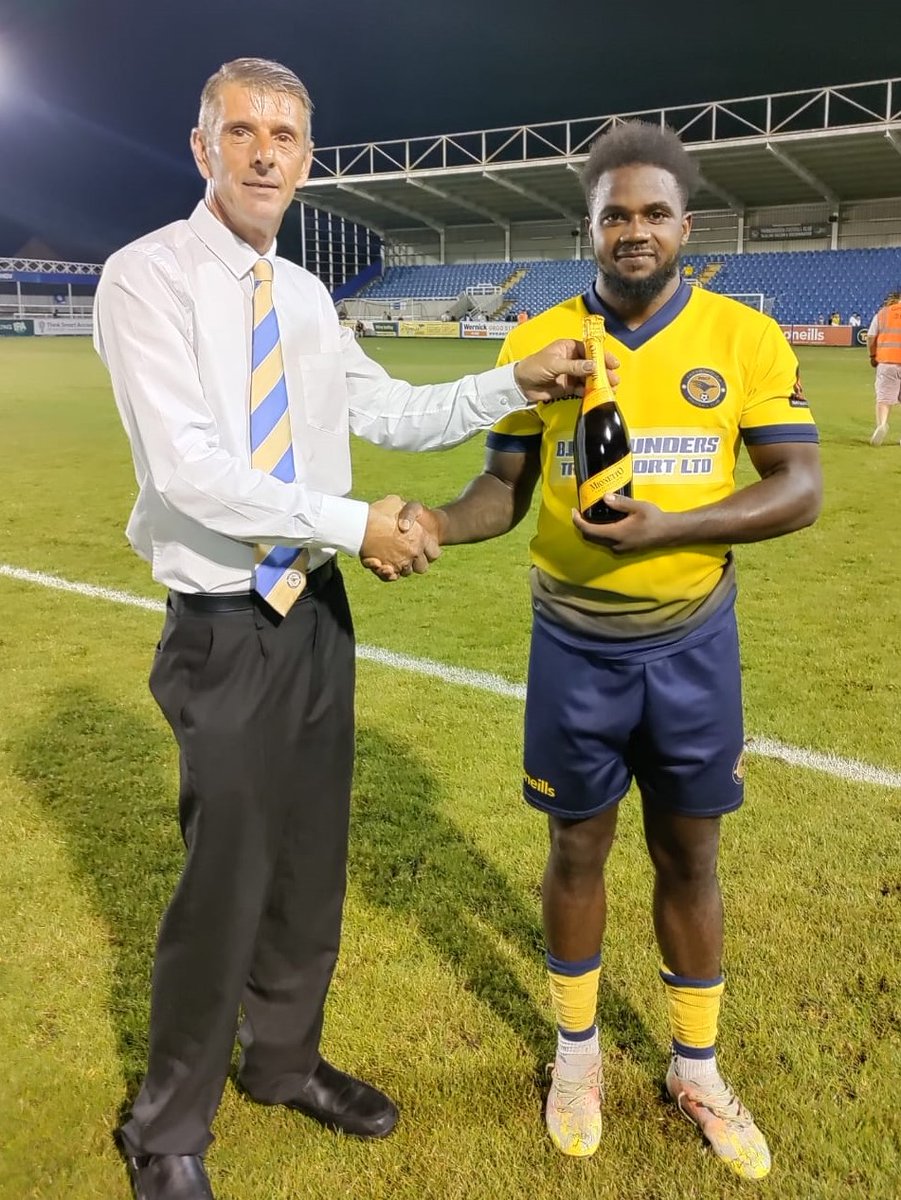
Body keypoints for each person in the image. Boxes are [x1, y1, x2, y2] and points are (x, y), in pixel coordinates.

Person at [93, 57, 596, 1200]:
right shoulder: (146, 279)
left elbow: (393, 411)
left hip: (314, 612)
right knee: (226, 875)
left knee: (312, 864)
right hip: (223, 622)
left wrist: (514, 380)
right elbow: (189, 475)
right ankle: (167, 1127)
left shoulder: (310, 298)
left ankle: (281, 1063)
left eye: (285, 133)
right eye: (242, 130)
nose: (265, 150)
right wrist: (350, 518)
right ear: (202, 148)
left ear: (307, 157)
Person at [371, 121, 822, 1181]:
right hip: (573, 642)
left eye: (652, 213)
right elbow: (502, 492)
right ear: (589, 226)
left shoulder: (742, 337)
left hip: (693, 644)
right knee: (575, 850)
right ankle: (577, 1056)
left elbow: (798, 488)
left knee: (690, 856)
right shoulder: (540, 339)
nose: (632, 230)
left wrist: (667, 528)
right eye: (613, 214)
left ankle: (694, 1068)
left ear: (683, 226)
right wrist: (434, 521)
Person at [866, 291, 901, 445]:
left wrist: (872, 355)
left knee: (884, 398)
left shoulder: (882, 314)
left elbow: (870, 336)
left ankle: (882, 424)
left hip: (887, 362)